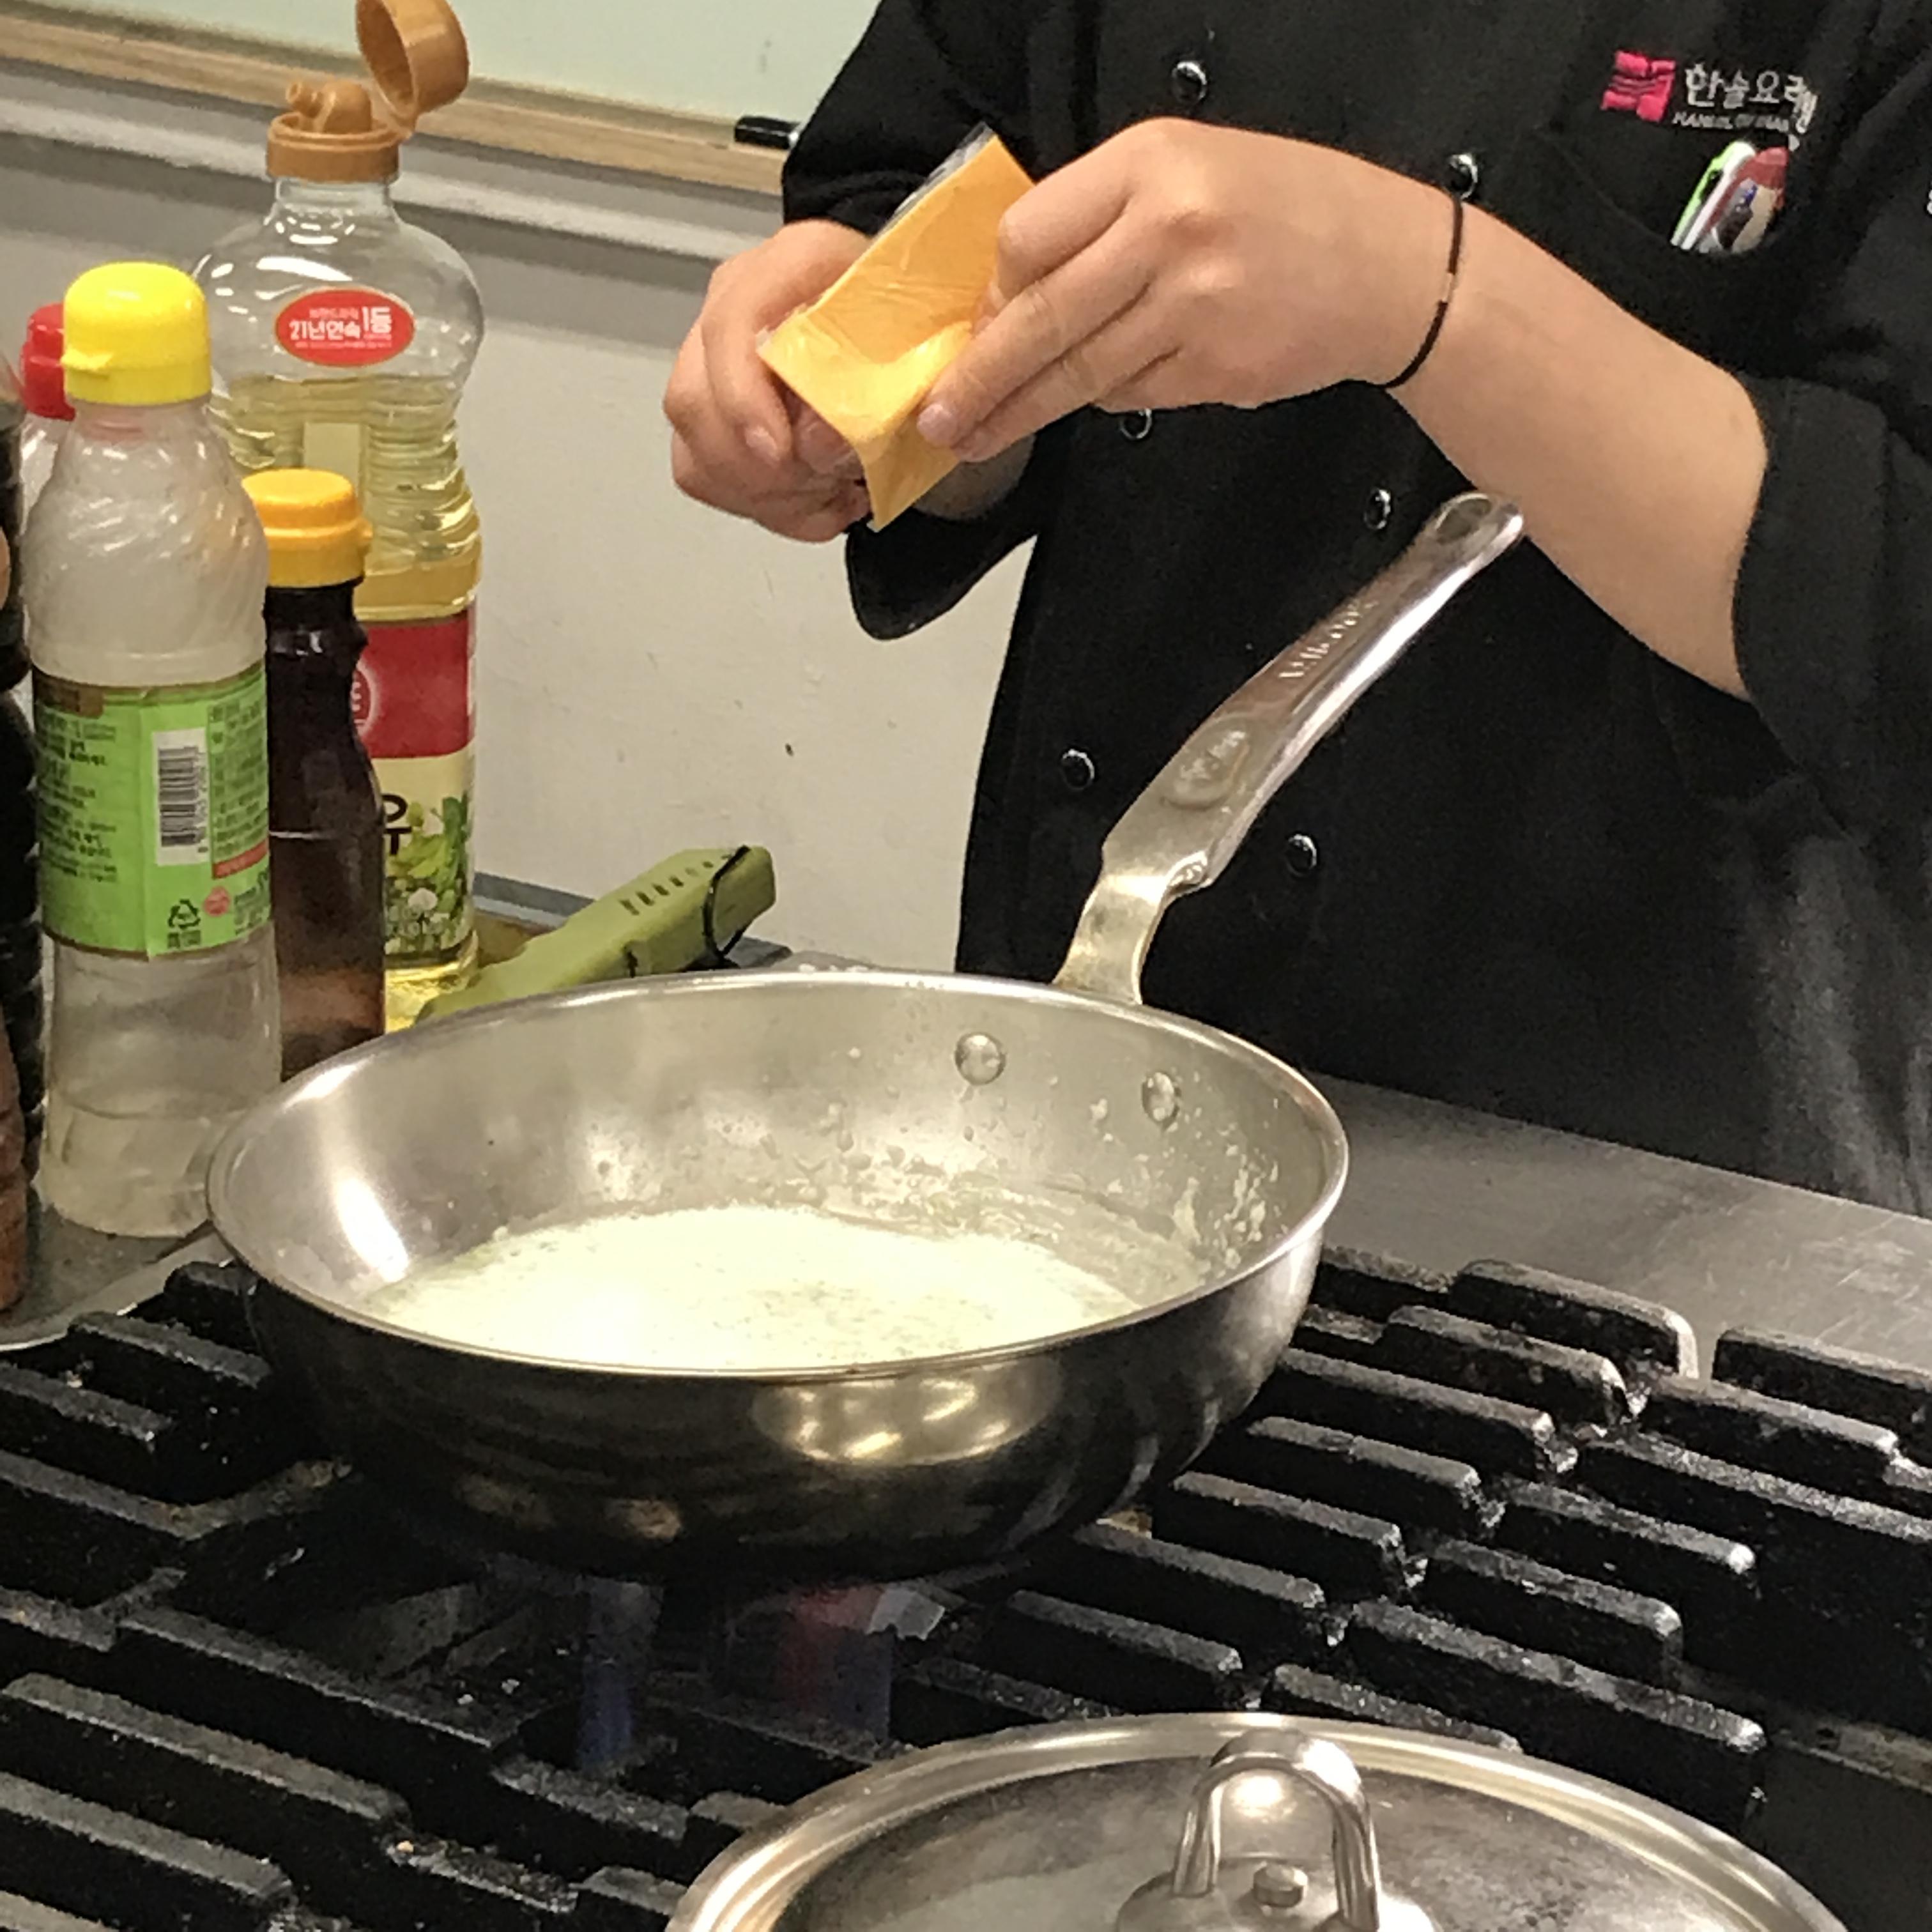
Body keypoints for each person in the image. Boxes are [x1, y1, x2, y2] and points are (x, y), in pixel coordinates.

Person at [666, 3, 1932, 1213]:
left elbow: (1893, 589)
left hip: (1650, 1136)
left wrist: (1423, 293)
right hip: (1096, 1051)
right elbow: (928, 200)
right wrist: (864, 389)